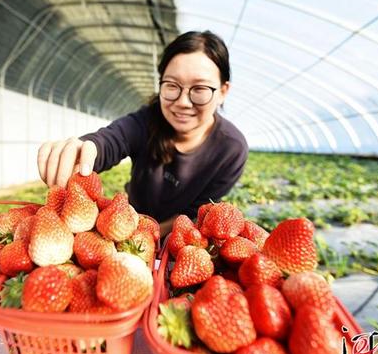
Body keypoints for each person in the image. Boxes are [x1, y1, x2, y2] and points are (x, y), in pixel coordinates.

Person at [37, 30, 249, 234]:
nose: (183, 102)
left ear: (222, 91)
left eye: (200, 89)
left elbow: (196, 212)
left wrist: (149, 234)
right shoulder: (147, 120)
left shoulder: (231, 149)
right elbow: (112, 139)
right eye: (172, 86)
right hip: (127, 224)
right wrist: (84, 148)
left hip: (179, 239)